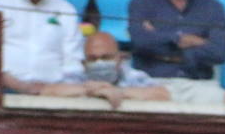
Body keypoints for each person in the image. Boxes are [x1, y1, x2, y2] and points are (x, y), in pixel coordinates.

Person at [126, 0, 225, 103]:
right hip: (152, 82)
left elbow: (219, 53)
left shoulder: (213, 7)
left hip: (198, 84)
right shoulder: (142, 1)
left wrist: (159, 41)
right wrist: (179, 39)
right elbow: (140, 42)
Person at [0, 0, 84, 95]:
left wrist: (58, 89)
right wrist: (21, 86)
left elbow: (72, 62)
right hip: (4, 90)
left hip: (53, 94)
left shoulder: (66, 9)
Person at [37, 31, 172, 106]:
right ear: (84, 64)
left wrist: (119, 92)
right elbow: (47, 91)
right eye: (93, 59)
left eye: (106, 57)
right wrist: (91, 91)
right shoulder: (77, 76)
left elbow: (163, 95)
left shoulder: (133, 76)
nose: (99, 62)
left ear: (119, 59)